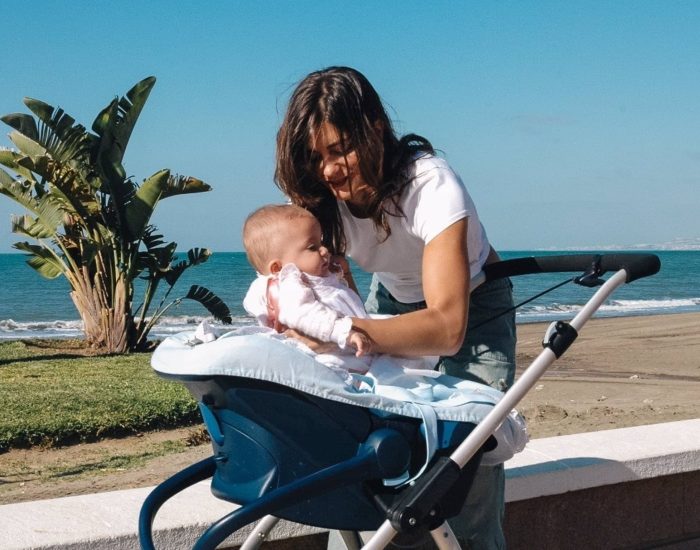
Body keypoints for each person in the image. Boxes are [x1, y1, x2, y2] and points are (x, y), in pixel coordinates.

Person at [274, 66, 516, 549]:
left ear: (376, 129)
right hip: (389, 300)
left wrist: (342, 331)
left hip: (471, 303)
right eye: (315, 155)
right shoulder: (319, 192)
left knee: (466, 457)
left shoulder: (429, 184)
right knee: (373, 440)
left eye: (340, 149)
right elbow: (299, 273)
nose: (328, 169)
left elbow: (447, 327)